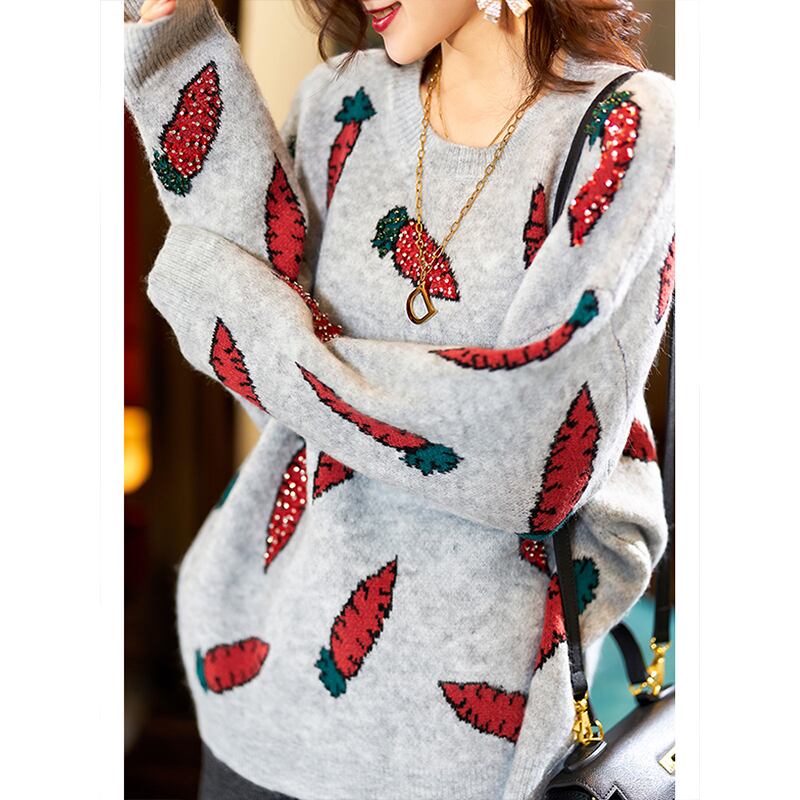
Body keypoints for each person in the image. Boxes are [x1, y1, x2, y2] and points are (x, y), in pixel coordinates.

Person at [123, 1, 674, 798]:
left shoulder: (629, 126)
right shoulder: (338, 98)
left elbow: (530, 461)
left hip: (450, 761)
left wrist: (253, 327)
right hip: (252, 694)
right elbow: (282, 406)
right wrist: (172, 35)